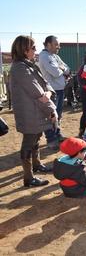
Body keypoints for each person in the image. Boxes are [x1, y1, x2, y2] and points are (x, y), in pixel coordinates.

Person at [10, 35, 56, 187]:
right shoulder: (19, 67)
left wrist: (47, 93)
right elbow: (38, 92)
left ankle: (37, 165)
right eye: (34, 47)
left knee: (36, 139)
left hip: (36, 111)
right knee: (28, 143)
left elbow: (46, 85)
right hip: (29, 113)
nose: (36, 50)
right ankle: (28, 178)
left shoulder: (29, 65)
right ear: (25, 50)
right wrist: (51, 109)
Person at [38, 35, 70, 148]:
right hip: (51, 90)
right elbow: (55, 72)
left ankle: (57, 134)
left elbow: (67, 68)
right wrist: (62, 69)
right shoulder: (44, 56)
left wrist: (62, 69)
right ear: (48, 44)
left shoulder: (55, 56)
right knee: (51, 115)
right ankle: (51, 140)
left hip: (60, 89)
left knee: (59, 114)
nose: (58, 47)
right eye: (56, 44)